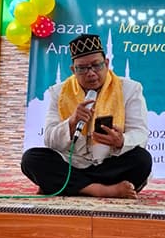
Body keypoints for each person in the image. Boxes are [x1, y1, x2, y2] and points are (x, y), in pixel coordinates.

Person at [21, 33, 152, 199]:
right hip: (74, 164)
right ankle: (101, 190)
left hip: (109, 163)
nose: (90, 73)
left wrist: (121, 141)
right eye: (82, 68)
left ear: (107, 63)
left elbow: (140, 133)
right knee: (31, 159)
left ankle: (66, 185)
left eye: (96, 65)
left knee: (142, 160)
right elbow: (50, 140)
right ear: (73, 70)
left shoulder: (129, 89)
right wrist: (71, 122)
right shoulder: (59, 92)